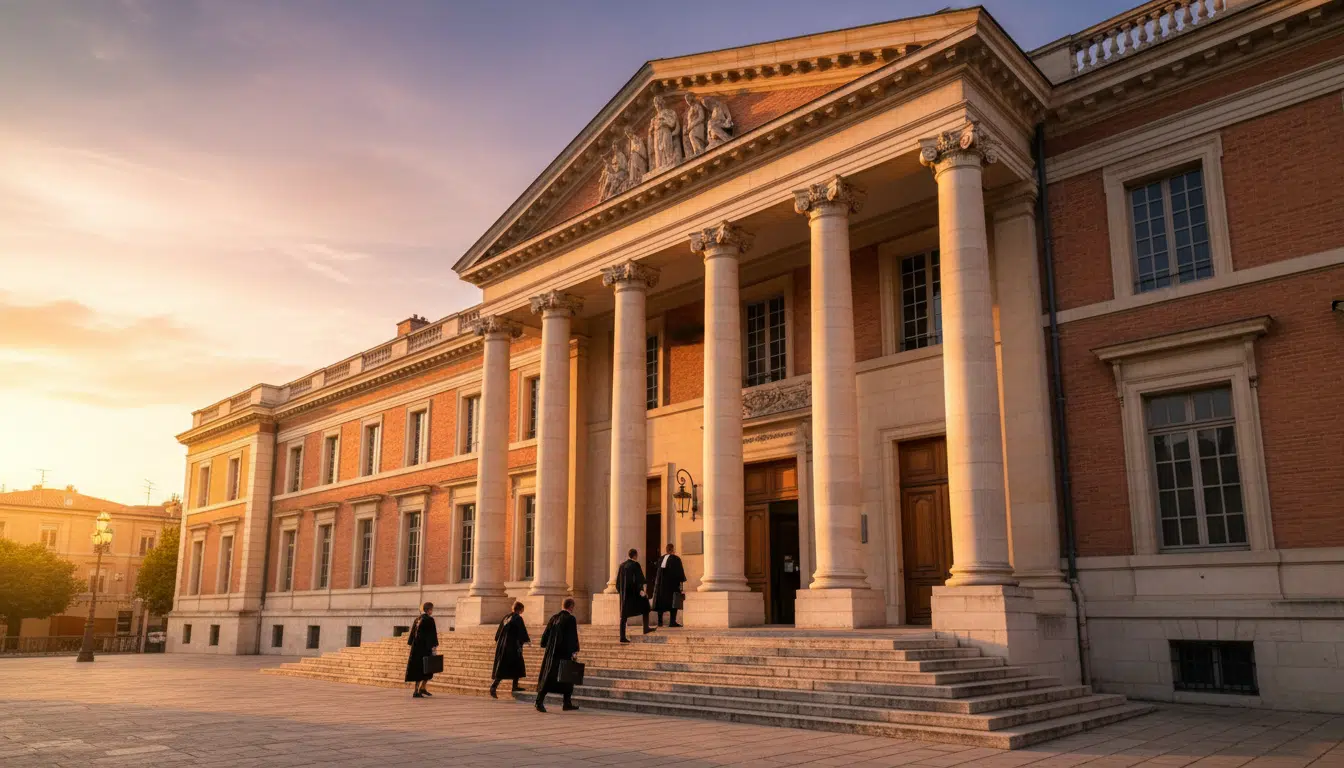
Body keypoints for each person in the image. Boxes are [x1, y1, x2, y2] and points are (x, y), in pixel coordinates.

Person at [535, 597, 580, 713]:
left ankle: (542, 701)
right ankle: (565, 703)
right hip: (563, 653)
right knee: (568, 676)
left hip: (551, 653)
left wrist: (545, 645)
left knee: (549, 676)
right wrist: (575, 651)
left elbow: (545, 635)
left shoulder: (554, 618)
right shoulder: (570, 619)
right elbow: (572, 636)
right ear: (571, 606)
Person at [490, 601, 530, 698]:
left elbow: (498, 632)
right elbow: (521, 631)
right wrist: (526, 640)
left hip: (503, 646)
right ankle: (493, 687)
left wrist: (498, 641)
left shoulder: (506, 617)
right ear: (520, 609)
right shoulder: (518, 618)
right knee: (512, 665)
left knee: (511, 666)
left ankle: (514, 686)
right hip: (513, 647)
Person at [615, 548, 654, 643]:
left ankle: (622, 636)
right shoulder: (635, 565)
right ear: (635, 555)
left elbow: (617, 584)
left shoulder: (622, 566)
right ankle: (645, 628)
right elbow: (640, 580)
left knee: (623, 615)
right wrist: (642, 591)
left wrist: (622, 593)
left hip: (625, 596)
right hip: (634, 594)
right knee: (646, 607)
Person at [404, 601, 438, 698]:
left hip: (416, 648)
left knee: (418, 669)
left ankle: (417, 690)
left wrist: (411, 644)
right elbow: (432, 635)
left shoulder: (417, 619)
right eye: (432, 609)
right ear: (429, 610)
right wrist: (434, 647)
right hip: (425, 648)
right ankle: (422, 688)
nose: (432, 611)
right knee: (427, 668)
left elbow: (412, 634)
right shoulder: (430, 620)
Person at [651, 543, 687, 628]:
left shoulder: (660, 559)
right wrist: (681, 584)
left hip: (661, 586)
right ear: (673, 549)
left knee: (661, 603)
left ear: (666, 550)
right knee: (673, 603)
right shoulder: (676, 559)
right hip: (672, 586)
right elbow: (680, 573)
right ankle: (672, 622)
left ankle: (660, 622)